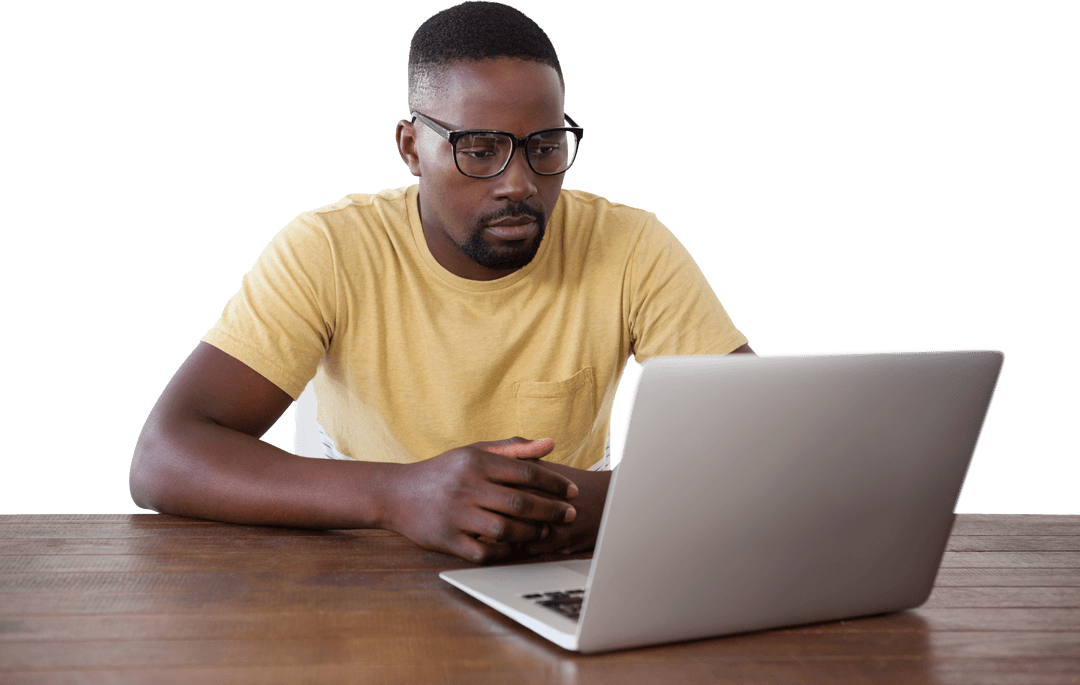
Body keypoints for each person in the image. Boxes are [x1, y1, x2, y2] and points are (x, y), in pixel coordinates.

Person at [129, 1, 752, 564]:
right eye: (479, 149)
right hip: (366, 563)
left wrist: (589, 505)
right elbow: (164, 458)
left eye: (545, 146)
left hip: (559, 557)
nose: (519, 183)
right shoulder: (330, 248)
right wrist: (397, 494)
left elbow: (758, 448)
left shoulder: (632, 246)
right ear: (410, 148)